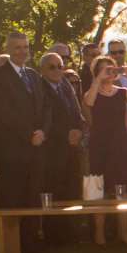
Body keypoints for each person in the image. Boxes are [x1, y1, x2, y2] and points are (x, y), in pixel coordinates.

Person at [0, 33, 47, 253]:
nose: (22, 51)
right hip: (12, 148)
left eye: (25, 47)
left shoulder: (33, 75)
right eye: (17, 47)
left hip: (36, 147)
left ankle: (30, 243)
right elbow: (4, 113)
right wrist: (28, 133)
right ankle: (9, 245)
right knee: (12, 196)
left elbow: (44, 107)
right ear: (8, 49)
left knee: (33, 195)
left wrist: (42, 131)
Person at [35, 51, 87, 243]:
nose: (58, 70)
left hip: (71, 149)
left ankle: (72, 233)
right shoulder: (38, 89)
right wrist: (64, 134)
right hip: (51, 150)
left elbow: (77, 113)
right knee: (53, 191)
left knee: (72, 189)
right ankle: (54, 236)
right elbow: (41, 120)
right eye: (52, 67)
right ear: (42, 69)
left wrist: (78, 130)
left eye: (60, 66)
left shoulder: (66, 85)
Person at [82, 56, 127, 200]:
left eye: (111, 68)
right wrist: (98, 79)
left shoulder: (122, 92)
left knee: (123, 189)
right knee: (98, 191)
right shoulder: (92, 92)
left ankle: (123, 223)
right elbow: (89, 102)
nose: (108, 72)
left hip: (121, 145)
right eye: (104, 69)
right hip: (100, 146)